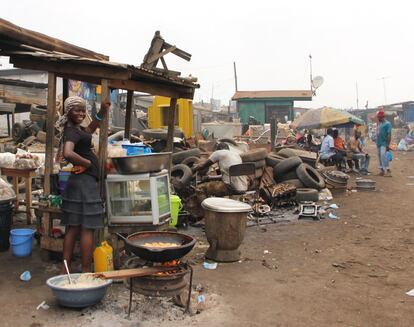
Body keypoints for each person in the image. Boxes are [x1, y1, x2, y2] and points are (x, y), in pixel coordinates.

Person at [56, 96, 110, 273]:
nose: (81, 113)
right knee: (87, 229)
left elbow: (90, 128)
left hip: (79, 184)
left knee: (73, 227)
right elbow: (68, 152)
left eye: (82, 110)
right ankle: (86, 270)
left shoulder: (77, 129)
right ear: (68, 111)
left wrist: (101, 112)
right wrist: (87, 163)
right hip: (84, 184)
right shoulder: (71, 131)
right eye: (76, 110)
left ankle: (66, 270)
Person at [376, 110, 392, 176]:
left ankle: (388, 171)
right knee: (379, 156)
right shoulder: (380, 124)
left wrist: (387, 144)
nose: (379, 118)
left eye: (380, 117)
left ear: (383, 117)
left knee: (383, 156)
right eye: (378, 117)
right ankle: (382, 170)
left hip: (384, 143)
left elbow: (389, 135)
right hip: (378, 143)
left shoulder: (388, 124)